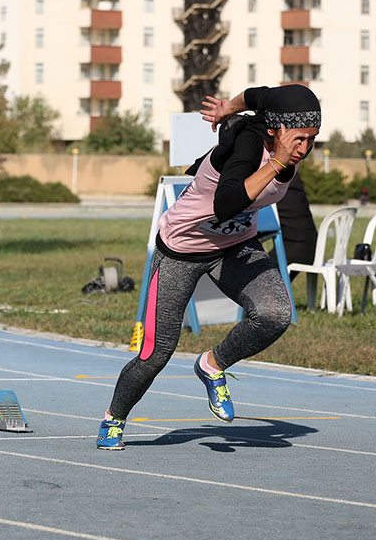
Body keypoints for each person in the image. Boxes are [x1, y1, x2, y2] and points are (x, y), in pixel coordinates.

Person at [97, 84, 321, 450]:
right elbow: (226, 204)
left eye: (312, 139)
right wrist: (275, 160)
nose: (304, 149)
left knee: (275, 313)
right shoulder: (245, 146)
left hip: (234, 247)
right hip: (181, 250)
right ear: (274, 130)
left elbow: (257, 95)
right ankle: (114, 419)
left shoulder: (279, 131)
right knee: (156, 354)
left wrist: (226, 108)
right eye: (298, 139)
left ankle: (212, 364)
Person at [275, 168, 318, 280]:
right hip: (310, 244)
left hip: (296, 246)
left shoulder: (277, 179)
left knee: (256, 271)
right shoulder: (290, 174)